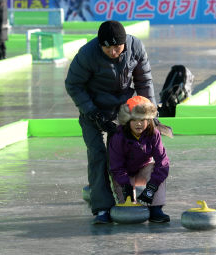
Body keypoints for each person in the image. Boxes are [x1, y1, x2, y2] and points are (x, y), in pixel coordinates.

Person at [64, 20, 156, 224]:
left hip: (124, 108)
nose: (114, 52)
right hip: (93, 108)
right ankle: (102, 207)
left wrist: (150, 114)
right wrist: (92, 112)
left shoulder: (135, 47)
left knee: (126, 152)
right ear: (100, 45)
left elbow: (144, 81)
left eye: (117, 47)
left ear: (124, 43)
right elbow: (73, 84)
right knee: (97, 154)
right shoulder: (87, 54)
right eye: (108, 48)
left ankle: (131, 196)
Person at [109, 96, 170, 223]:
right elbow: (116, 166)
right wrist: (126, 186)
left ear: (149, 120)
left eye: (142, 120)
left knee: (155, 168)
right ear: (127, 120)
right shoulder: (118, 137)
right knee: (128, 206)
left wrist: (152, 187)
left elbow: (162, 163)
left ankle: (155, 209)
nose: (138, 123)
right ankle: (126, 194)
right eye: (134, 120)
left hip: (143, 171)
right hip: (124, 175)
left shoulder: (154, 134)